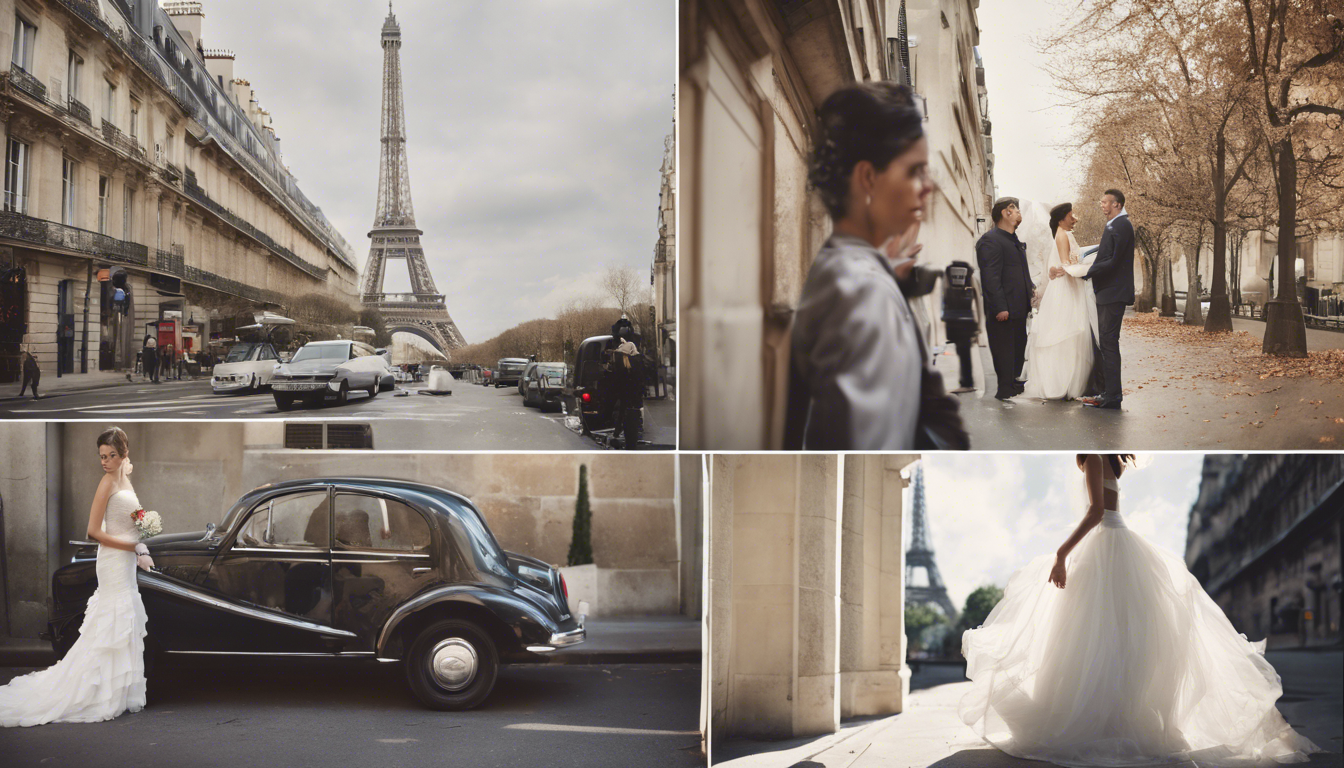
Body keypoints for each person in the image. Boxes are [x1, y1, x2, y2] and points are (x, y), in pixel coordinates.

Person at [959, 454, 1321, 767]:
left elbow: (1096, 511)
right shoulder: (1111, 462)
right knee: (1118, 639)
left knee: (1090, 639)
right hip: (1120, 544)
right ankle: (1118, 720)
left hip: (1106, 546)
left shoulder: (1095, 459)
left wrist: (1061, 554)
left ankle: (1104, 721)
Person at [786, 81, 939, 450]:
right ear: (868, 179)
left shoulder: (843, 268)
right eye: (915, 170)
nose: (927, 187)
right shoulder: (863, 290)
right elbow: (871, 441)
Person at [0, 427, 152, 727]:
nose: (105, 462)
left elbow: (132, 519)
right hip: (111, 561)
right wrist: (136, 545)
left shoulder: (126, 481)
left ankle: (116, 692)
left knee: (124, 619)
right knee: (111, 619)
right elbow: (94, 532)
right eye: (101, 457)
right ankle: (95, 692)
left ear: (123, 455)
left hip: (125, 561)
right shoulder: (107, 482)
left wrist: (144, 531)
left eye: (110, 456)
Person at [1054, 189, 1133, 410]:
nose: (1102, 205)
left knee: (1108, 342)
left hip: (1113, 292)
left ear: (1117, 204)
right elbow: (1105, 255)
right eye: (1101, 201)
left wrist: (1084, 271)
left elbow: (1112, 260)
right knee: (1107, 342)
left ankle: (1112, 396)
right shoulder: (1115, 224)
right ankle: (1109, 393)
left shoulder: (1121, 224)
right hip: (1110, 291)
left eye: (1106, 202)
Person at [1020, 202, 1098, 400]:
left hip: (1069, 285)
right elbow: (1066, 264)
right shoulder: (1062, 235)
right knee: (1066, 329)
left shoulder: (1065, 234)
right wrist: (1086, 268)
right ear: (1062, 218)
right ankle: (1062, 383)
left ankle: (1068, 381)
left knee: (1069, 330)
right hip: (1066, 288)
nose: (1075, 219)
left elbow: (1061, 264)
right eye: (1071, 215)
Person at [976, 197, 1034, 401]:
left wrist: (1031, 291)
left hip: (1018, 306)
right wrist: (1000, 307)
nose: (1019, 213)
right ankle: (1004, 388)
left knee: (1018, 347)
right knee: (1004, 349)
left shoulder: (1013, 240)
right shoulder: (990, 240)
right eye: (1015, 209)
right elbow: (990, 278)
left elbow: (1019, 272)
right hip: (1004, 309)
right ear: (1005, 213)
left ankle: (1013, 383)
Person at [941, 260, 982, 393]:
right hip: (967, 320)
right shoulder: (971, 277)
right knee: (965, 352)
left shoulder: (946, 275)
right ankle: (966, 383)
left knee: (959, 351)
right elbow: (979, 302)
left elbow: (941, 297)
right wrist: (980, 324)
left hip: (951, 319)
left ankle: (964, 382)